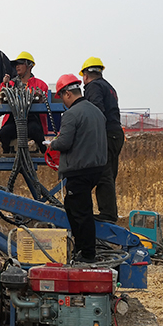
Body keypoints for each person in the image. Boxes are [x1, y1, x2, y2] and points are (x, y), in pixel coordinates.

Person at [49, 74, 107, 263]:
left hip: (79, 170)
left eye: (61, 97)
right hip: (96, 168)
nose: (63, 102)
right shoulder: (96, 111)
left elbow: (64, 142)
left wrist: (51, 144)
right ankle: (82, 249)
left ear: (67, 94)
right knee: (74, 207)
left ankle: (87, 253)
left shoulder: (72, 114)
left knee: (80, 212)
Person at [80, 57, 124, 223]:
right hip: (115, 133)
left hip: (105, 134)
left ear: (85, 76)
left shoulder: (93, 86)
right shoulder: (108, 87)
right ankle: (109, 212)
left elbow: (96, 111)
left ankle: (107, 214)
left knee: (103, 173)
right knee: (109, 173)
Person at [0, 52, 49, 154]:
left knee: (35, 130)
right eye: (15, 64)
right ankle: (7, 153)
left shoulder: (40, 85)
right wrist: (5, 84)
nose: (17, 66)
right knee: (4, 133)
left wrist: (39, 98)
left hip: (32, 119)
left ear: (29, 65)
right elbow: (0, 97)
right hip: (14, 120)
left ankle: (45, 153)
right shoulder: (11, 84)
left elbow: (45, 100)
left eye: (20, 63)